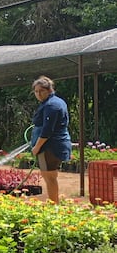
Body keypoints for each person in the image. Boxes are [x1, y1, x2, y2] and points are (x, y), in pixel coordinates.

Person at [30, 76, 72, 204]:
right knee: (50, 176)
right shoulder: (55, 102)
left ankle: (53, 205)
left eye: (41, 91)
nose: (38, 94)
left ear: (49, 90)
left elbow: (48, 130)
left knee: (49, 177)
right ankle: (54, 203)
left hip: (50, 147)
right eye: (36, 92)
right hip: (54, 145)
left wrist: (37, 147)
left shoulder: (51, 105)